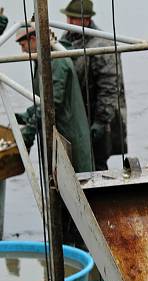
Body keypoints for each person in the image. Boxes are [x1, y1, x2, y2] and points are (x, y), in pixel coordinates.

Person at [15, 22, 93, 173]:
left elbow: (52, 102)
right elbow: (43, 100)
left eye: (23, 45)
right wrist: (26, 115)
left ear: (33, 39)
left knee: (79, 184)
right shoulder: (42, 61)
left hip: (70, 137)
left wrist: (30, 131)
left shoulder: (57, 61)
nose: (23, 51)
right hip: (58, 137)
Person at [60, 0, 127, 170]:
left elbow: (110, 87)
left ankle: (99, 194)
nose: (68, 22)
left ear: (86, 19)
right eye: (68, 17)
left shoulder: (102, 45)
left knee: (97, 164)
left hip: (97, 116)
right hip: (76, 116)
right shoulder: (66, 39)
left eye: (73, 19)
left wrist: (101, 121)